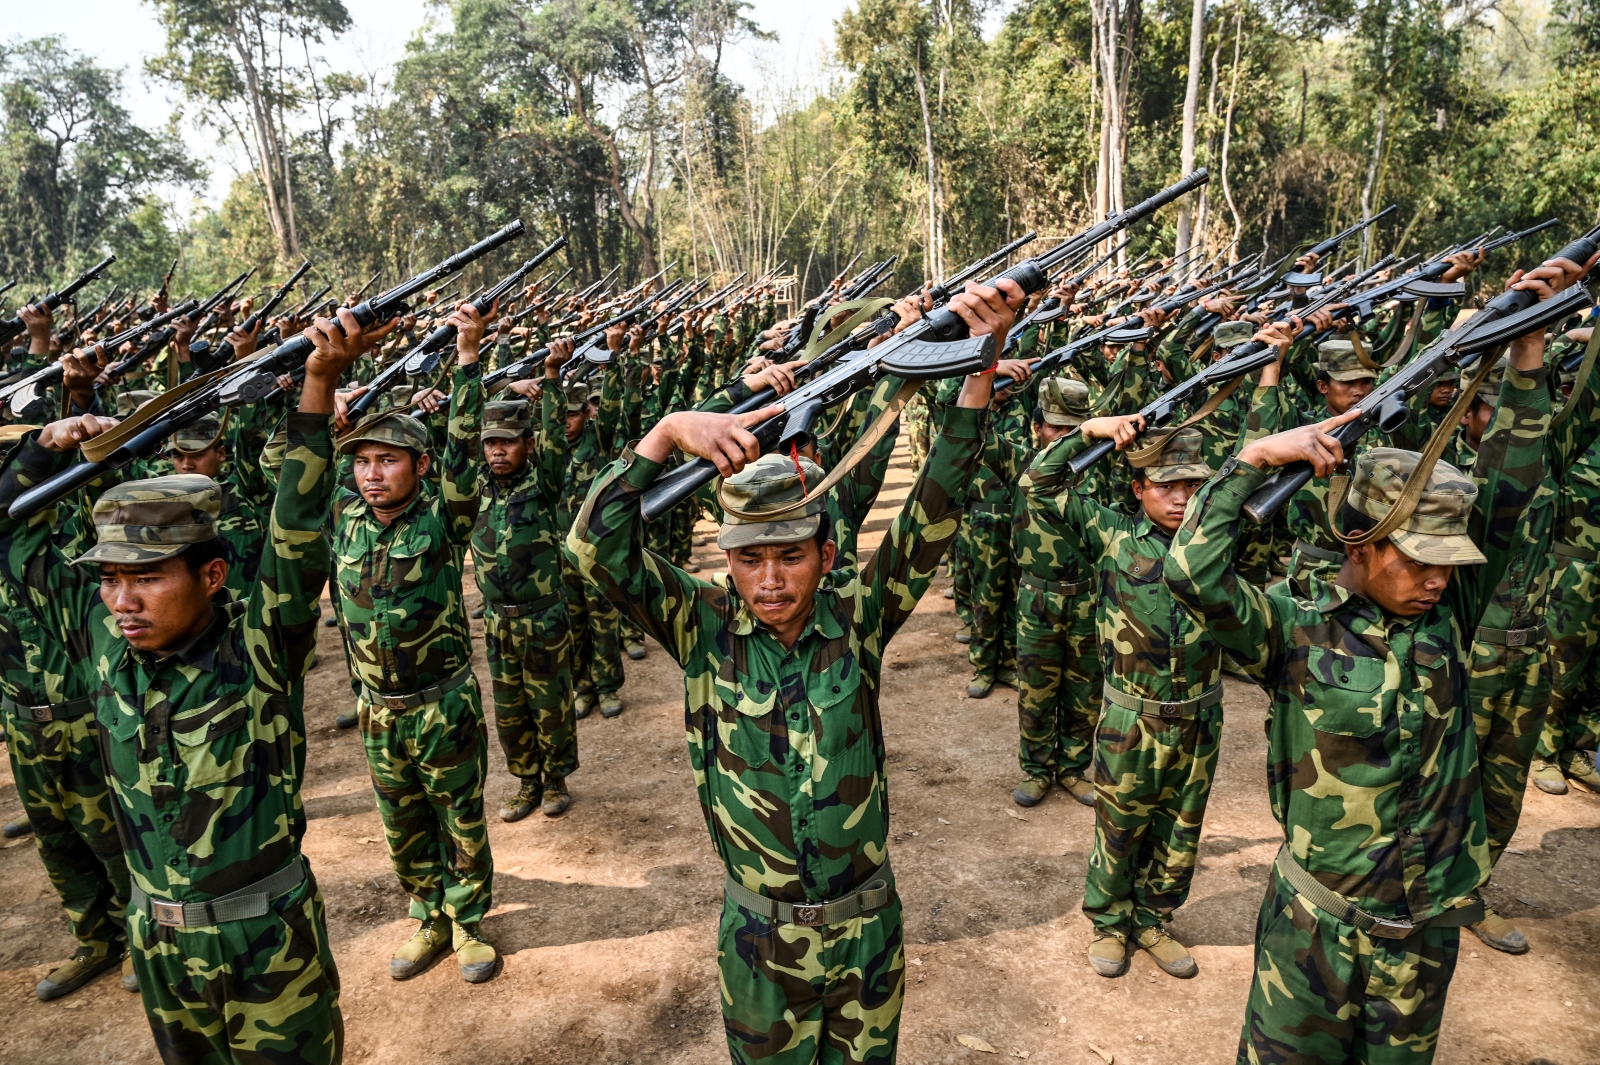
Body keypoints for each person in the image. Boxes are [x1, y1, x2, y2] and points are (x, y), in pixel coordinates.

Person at [568, 279, 1020, 1063]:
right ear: (726, 560)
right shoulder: (701, 623)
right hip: (758, 940)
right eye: (749, 558)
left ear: (827, 553)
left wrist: (979, 368)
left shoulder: (858, 615)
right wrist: (669, 431)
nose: (770, 579)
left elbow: (935, 504)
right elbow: (592, 548)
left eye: (790, 555)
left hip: (865, 929)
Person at [1162, 251, 1581, 1063]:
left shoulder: (1449, 617)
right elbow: (1192, 573)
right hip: (1313, 937)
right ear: (1358, 540)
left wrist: (1529, 350)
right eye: (1414, 558)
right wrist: (1250, 460)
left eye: (1445, 562)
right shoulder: (1294, 630)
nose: (1433, 579)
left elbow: (1511, 487)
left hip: (1421, 944)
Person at [0, 302, 390, 1063]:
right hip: (159, 943)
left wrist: (316, 386)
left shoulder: (259, 646)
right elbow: (13, 527)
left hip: (266, 945)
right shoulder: (99, 645)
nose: (122, 600)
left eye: (145, 577)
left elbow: (297, 528)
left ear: (211, 576)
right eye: (109, 579)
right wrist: (53, 440)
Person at [331, 300, 500, 984]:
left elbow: (465, 456)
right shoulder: (341, 523)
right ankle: (427, 911)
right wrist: (318, 397)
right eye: (364, 461)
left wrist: (466, 359)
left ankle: (466, 921)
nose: (373, 473)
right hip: (378, 707)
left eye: (389, 460)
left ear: (419, 466)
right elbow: (288, 468)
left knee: (460, 815)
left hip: (442, 704)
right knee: (400, 819)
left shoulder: (441, 519)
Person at [0, 350, 133, 1002]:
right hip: (22, 715)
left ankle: (140, 932)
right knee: (57, 841)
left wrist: (60, 425)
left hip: (81, 708)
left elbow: (80, 462)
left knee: (110, 832)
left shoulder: (58, 522)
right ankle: (95, 939)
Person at [470, 338, 580, 823]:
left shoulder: (544, 479)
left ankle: (555, 778)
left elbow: (557, 437)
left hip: (544, 616)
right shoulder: (471, 489)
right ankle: (526, 781)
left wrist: (552, 376)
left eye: (507, 442)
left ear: (527, 445)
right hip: (498, 621)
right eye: (490, 443)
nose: (497, 451)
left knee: (550, 703)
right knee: (509, 707)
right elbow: (446, 428)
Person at [1009, 376, 1100, 808]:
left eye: (1073, 429)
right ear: (1037, 427)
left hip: (1088, 598)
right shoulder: (1025, 467)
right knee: (1037, 690)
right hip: (1038, 600)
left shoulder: (1099, 475)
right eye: (1056, 429)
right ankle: (1037, 769)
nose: (1063, 438)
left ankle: (1073, 769)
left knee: (1086, 690)